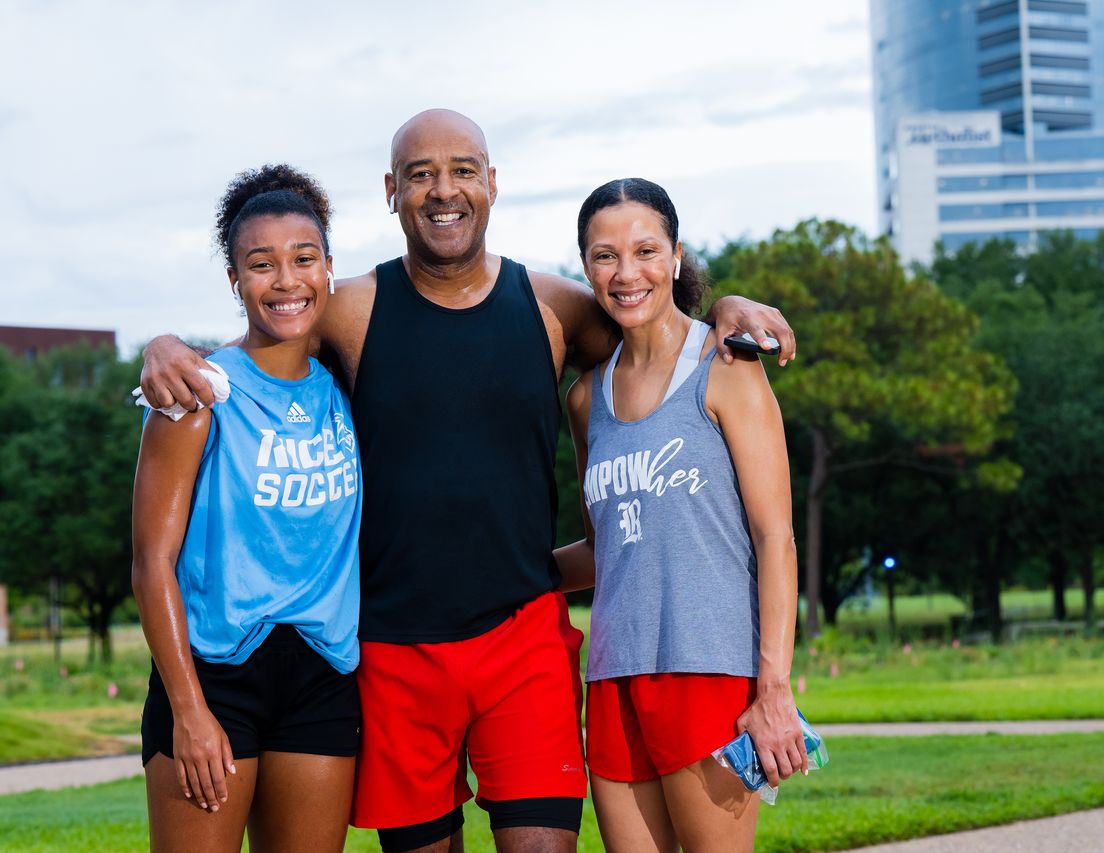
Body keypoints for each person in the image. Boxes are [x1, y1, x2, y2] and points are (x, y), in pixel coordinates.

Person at [138, 109, 796, 853]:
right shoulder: (350, 308)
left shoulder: (553, 307)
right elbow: (263, 341)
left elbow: (654, 323)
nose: (443, 189)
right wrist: (167, 348)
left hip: (523, 640)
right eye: (420, 174)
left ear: (492, 183)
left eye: (462, 170)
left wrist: (724, 309)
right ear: (392, 190)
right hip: (394, 646)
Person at [564, 177, 804, 852]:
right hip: (613, 675)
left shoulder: (726, 367)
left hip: (710, 671)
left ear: (675, 256)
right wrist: (503, 573)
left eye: (645, 250)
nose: (626, 272)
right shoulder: (585, 399)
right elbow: (605, 548)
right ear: (586, 267)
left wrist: (773, 687)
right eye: (605, 255)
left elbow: (775, 536)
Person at [131, 164, 362, 853]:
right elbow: (151, 562)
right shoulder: (197, 396)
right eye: (262, 265)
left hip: (323, 676)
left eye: (304, 259)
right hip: (213, 678)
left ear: (328, 268)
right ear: (235, 281)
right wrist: (189, 710)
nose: (287, 280)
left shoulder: (349, 383)